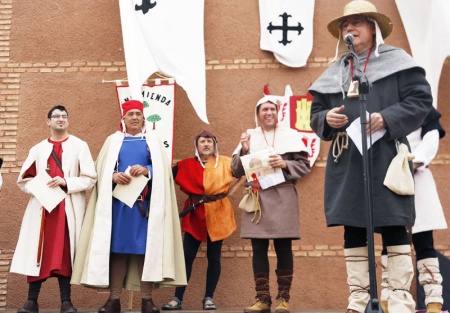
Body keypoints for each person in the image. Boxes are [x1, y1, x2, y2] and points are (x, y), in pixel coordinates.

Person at [308, 1, 433, 313]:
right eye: (346, 24)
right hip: (348, 160)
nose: (350, 28)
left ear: (373, 28)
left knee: (393, 223)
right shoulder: (335, 70)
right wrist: (326, 120)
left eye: (358, 22)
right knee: (353, 225)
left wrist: (387, 117)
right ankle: (359, 299)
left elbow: (421, 100)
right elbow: (316, 113)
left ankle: (401, 299)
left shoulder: (398, 62)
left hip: (387, 156)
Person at [71, 100, 186, 313]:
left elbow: (162, 170)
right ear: (123, 118)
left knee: (146, 251)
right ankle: (113, 300)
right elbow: (101, 170)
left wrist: (147, 169)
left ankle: (147, 300)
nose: (134, 117)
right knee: (119, 251)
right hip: (119, 207)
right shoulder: (112, 141)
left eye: (138, 114)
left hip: (145, 208)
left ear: (143, 118)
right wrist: (113, 175)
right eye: (130, 114)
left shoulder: (153, 141)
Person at [10, 105, 97, 313]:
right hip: (43, 208)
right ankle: (31, 301)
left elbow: (90, 178)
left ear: (68, 121)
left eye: (64, 116)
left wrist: (66, 181)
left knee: (65, 253)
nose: (61, 119)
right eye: (56, 116)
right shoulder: (38, 149)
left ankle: (66, 302)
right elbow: (24, 180)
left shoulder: (79, 145)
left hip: (67, 209)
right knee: (38, 251)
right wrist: (42, 187)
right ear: (48, 122)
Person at [231, 96, 310, 313]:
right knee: (258, 247)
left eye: (272, 109)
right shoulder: (249, 136)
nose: (269, 113)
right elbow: (236, 170)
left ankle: (283, 300)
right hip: (258, 197)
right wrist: (245, 149)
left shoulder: (290, 135)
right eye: (264, 109)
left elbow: (304, 166)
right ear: (257, 114)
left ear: (278, 113)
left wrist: (285, 163)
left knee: (284, 246)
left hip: (283, 196)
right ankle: (262, 300)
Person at [380, 107, 446, 313]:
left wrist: (413, 162)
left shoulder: (424, 110)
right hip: (391, 180)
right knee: (390, 242)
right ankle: (388, 299)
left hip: (417, 177)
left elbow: (431, 139)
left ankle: (434, 300)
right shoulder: (385, 108)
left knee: (424, 241)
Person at [161, 130, 236, 311]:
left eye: (209, 141)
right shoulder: (185, 165)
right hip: (195, 214)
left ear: (214, 145)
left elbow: (244, 169)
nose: (206, 144)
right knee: (186, 256)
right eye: (202, 141)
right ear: (197, 146)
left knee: (214, 256)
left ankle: (209, 298)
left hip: (219, 214)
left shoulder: (226, 163)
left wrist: (246, 149)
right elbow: (165, 178)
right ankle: (177, 298)